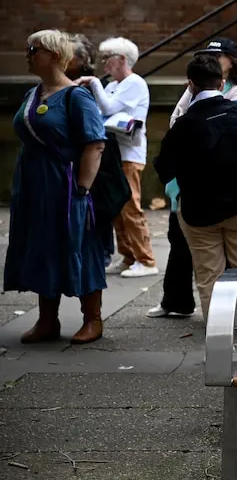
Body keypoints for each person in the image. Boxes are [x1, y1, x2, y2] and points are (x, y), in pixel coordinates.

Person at [5, 30, 107, 344]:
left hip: (66, 187)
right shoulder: (33, 94)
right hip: (34, 185)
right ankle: (47, 320)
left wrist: (83, 188)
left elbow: (95, 144)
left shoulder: (76, 96)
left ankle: (93, 319)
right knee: (40, 246)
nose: (28, 54)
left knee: (77, 246)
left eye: (33, 48)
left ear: (52, 54)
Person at [148, 37, 237, 319]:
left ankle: (220, 338)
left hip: (198, 211)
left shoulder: (183, 126)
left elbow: (165, 168)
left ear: (191, 85)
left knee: (209, 278)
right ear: (221, 84)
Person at [75, 36, 158, 278]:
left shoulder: (135, 83)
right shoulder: (112, 85)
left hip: (129, 154)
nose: (103, 64)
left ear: (122, 59)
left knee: (131, 207)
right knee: (117, 208)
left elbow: (109, 108)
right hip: (113, 153)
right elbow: (101, 111)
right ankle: (128, 256)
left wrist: (92, 82)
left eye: (107, 58)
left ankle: (147, 259)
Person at [65, 33, 116, 269]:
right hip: (74, 154)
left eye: (70, 55)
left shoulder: (90, 85)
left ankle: (103, 249)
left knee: (98, 204)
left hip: (96, 152)